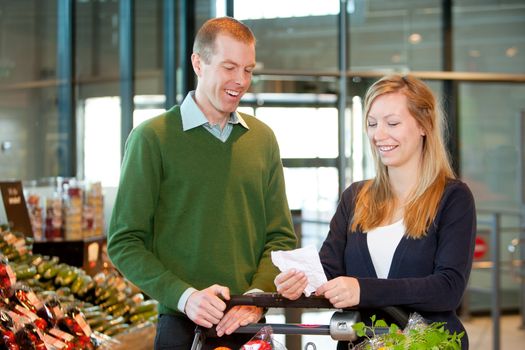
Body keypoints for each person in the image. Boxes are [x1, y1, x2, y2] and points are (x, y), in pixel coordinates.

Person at [107, 17, 297, 349]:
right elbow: (125, 243)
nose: (240, 80)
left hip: (251, 325)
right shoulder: (152, 138)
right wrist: (184, 297)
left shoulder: (263, 139)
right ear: (199, 63)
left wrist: (256, 297)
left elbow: (280, 239)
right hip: (181, 327)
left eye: (248, 70)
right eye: (229, 67)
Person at [275, 75, 476, 349]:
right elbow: (329, 271)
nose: (379, 134)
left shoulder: (453, 197)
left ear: (424, 125)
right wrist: (300, 281)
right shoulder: (355, 197)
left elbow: (448, 289)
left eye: (392, 123)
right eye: (372, 123)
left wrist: (362, 290)